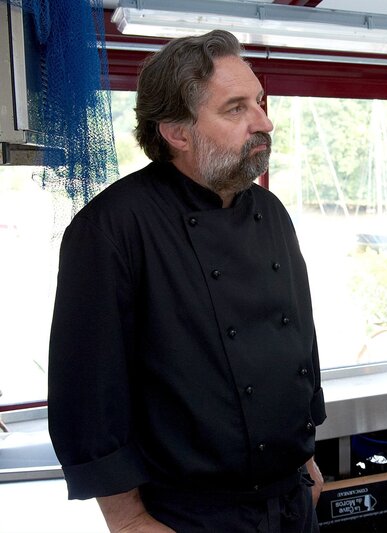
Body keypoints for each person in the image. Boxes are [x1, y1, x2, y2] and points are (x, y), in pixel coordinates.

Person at [48, 30, 326, 532]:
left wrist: (304, 457)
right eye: (236, 109)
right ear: (177, 132)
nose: (264, 122)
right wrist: (127, 520)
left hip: (291, 497)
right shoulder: (112, 228)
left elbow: (300, 342)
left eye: (259, 102)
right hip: (188, 513)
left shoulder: (271, 211)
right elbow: (88, 390)